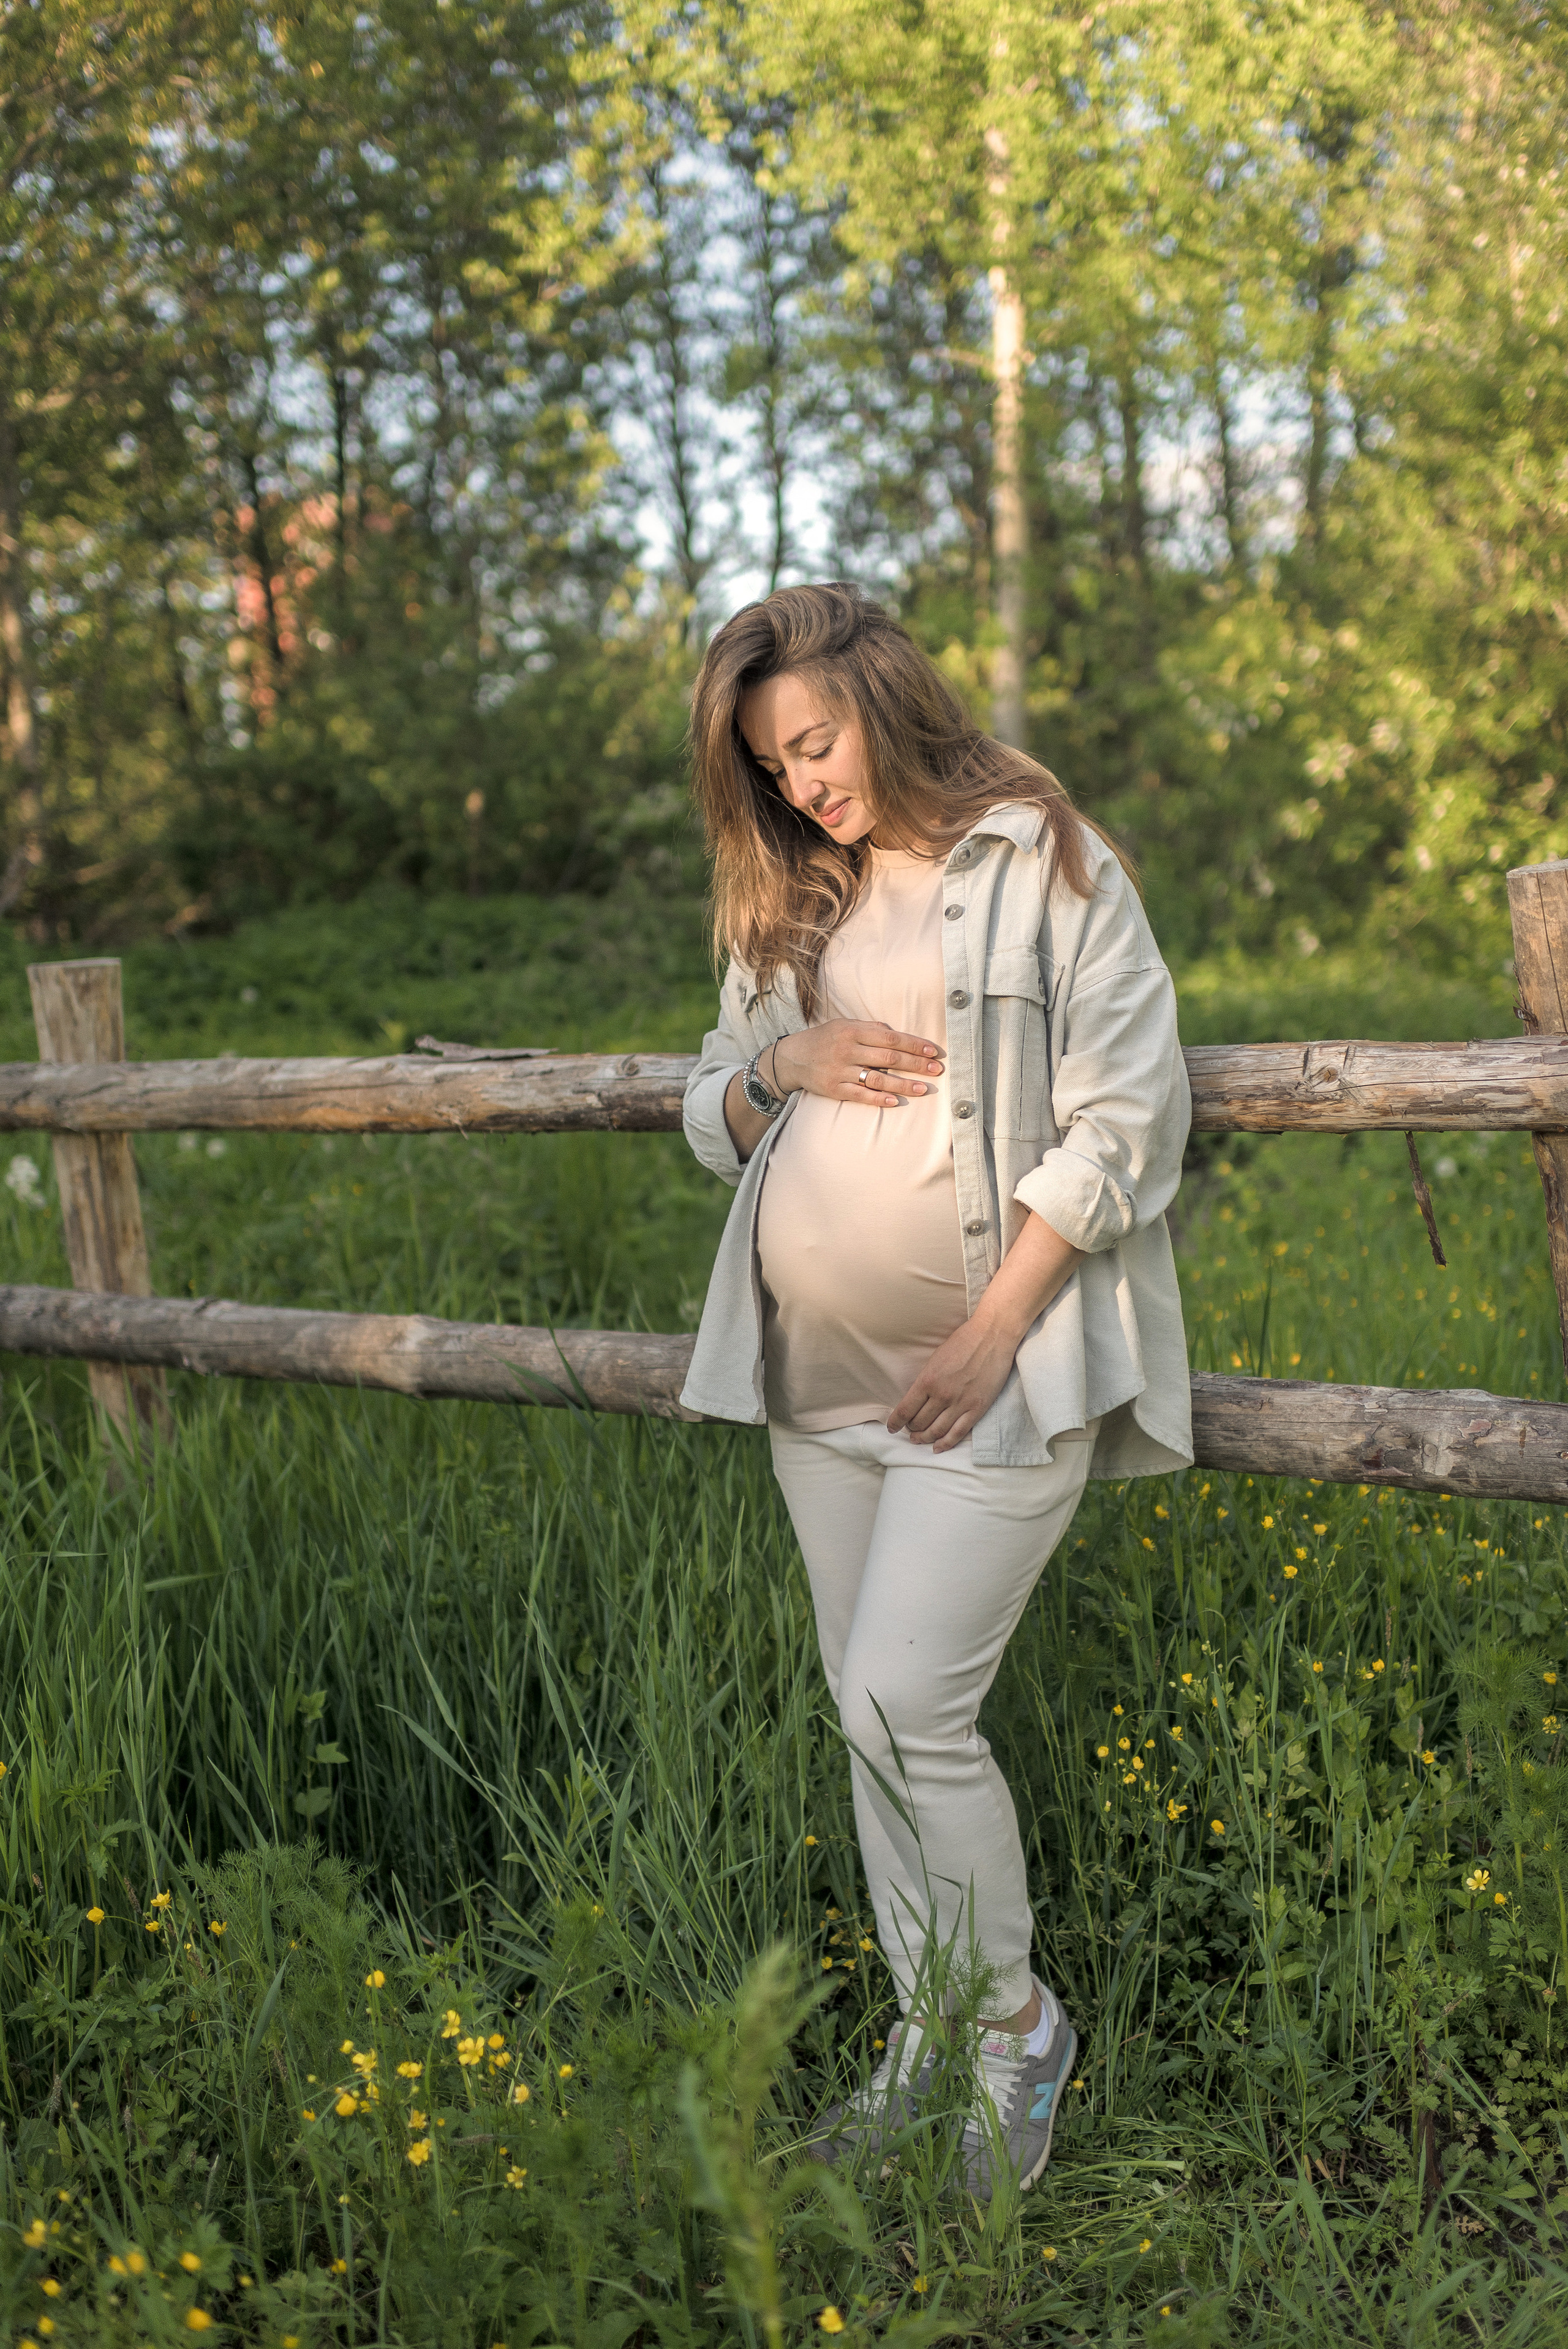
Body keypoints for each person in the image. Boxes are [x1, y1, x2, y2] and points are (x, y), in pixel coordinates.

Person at [679, 581, 1191, 2201]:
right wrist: (784, 1067)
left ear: (882, 694)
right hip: (816, 1382)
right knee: (867, 1725)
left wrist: (993, 1329)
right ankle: (931, 2037)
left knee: (911, 1702)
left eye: (811, 742)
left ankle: (1015, 2030)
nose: (801, 783)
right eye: (771, 764)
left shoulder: (1043, 856)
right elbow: (713, 1107)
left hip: (995, 1375)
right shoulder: (797, 896)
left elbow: (1129, 1117)